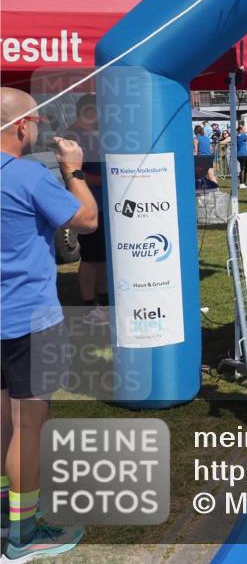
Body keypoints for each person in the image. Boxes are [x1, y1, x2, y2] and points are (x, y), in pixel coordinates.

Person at [2, 87, 99, 561]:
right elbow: (87, 219)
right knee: (31, 425)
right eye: (37, 122)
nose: (39, 129)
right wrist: (73, 168)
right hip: (29, 317)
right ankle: (24, 535)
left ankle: (7, 509)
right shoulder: (27, 176)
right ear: (22, 126)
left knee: (5, 420)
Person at [62, 94, 109, 326]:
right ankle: (90, 306)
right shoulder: (73, 136)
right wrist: (108, 179)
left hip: (101, 205)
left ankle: (104, 302)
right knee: (91, 257)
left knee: (102, 256)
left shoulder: (91, 135)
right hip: (88, 205)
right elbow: (73, 174)